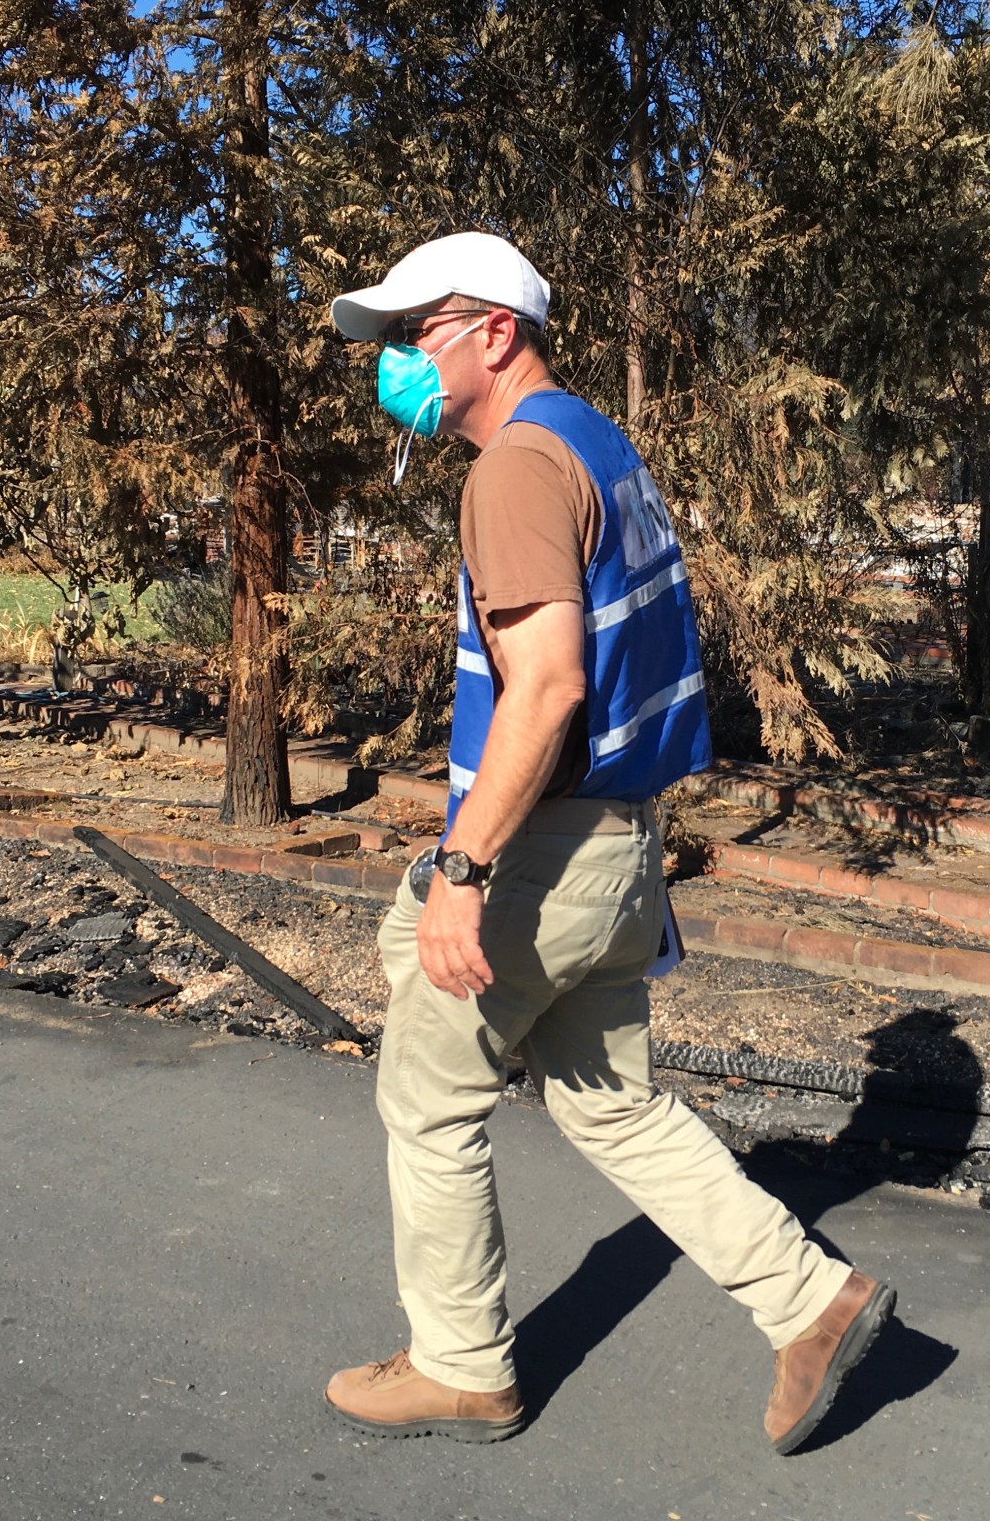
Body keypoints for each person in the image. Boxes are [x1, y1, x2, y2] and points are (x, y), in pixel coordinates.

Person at [323, 232, 894, 1453]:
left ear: (492, 331)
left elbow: (545, 687)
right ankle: (811, 1302)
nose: (394, 365)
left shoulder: (514, 470)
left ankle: (462, 1366)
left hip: (539, 854)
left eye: (413, 333)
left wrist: (461, 874)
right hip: (619, 842)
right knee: (609, 1106)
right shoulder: (593, 443)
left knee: (428, 1104)